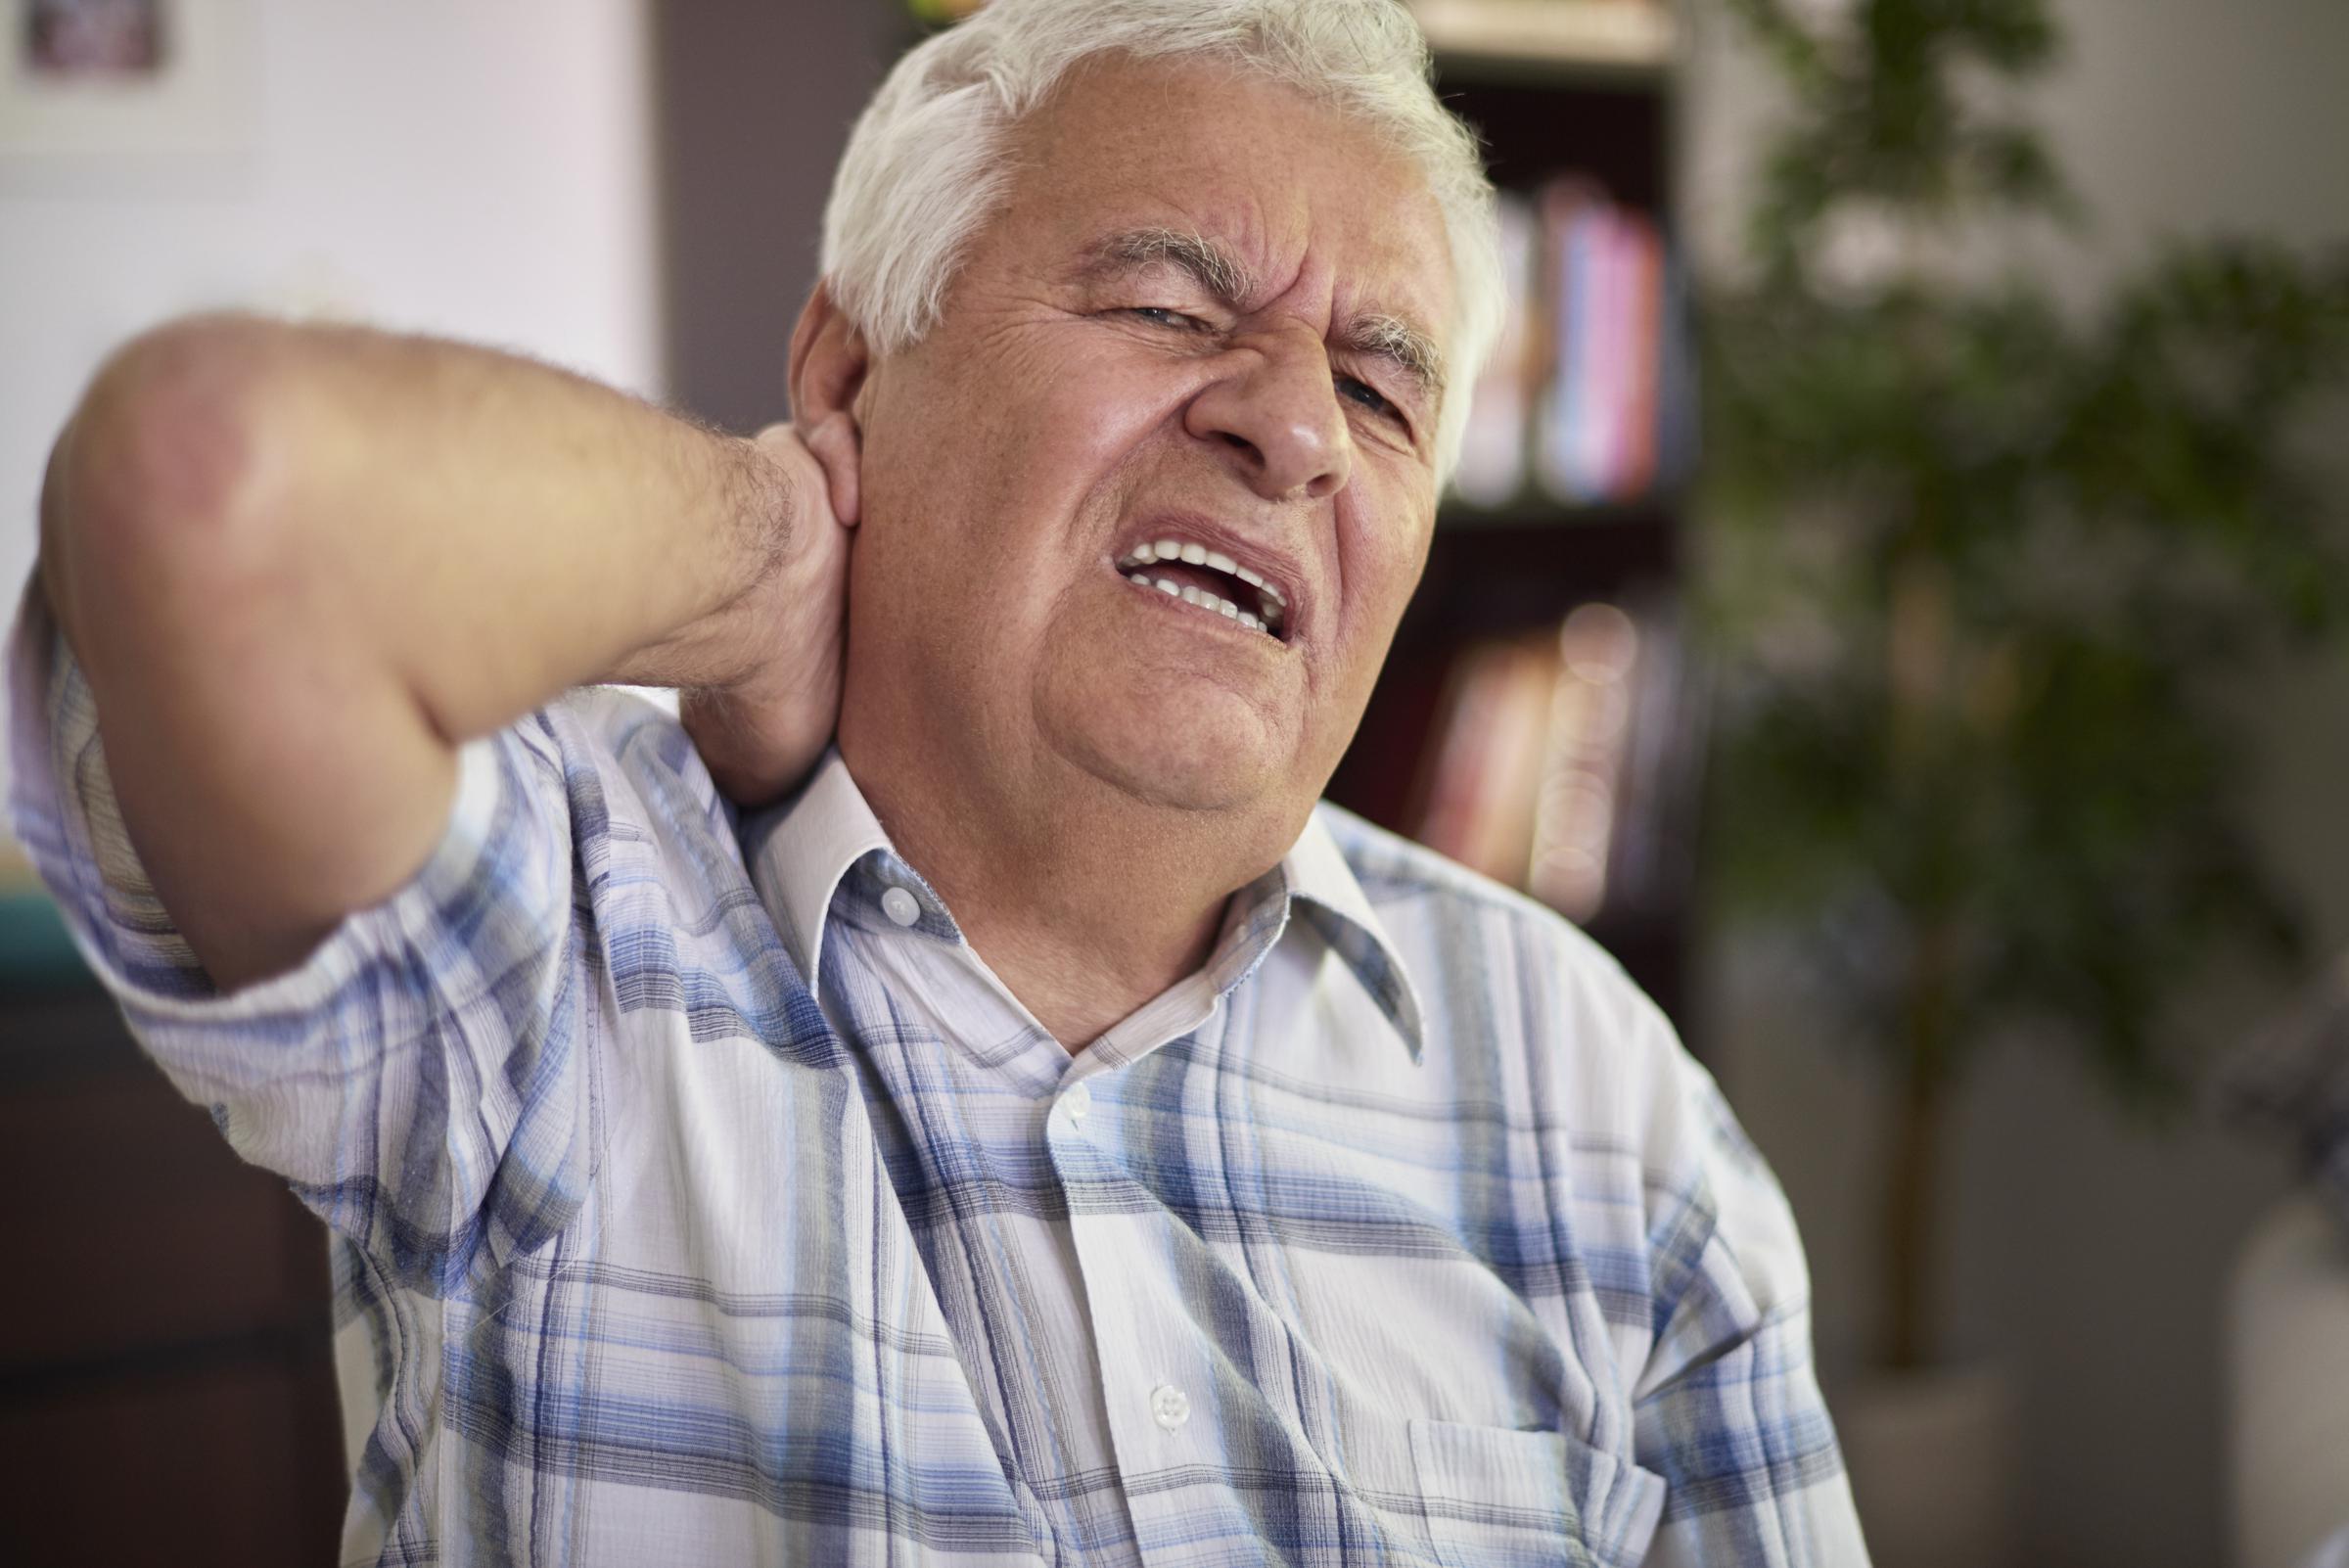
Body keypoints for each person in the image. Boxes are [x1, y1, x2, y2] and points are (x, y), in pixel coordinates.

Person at [7, 0, 1870, 1562]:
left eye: (1383, 394)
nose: (1292, 422)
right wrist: (759, 550)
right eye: (1165, 303)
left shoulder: (1598, 1099)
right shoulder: (569, 935)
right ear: (847, 367)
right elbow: (204, 489)